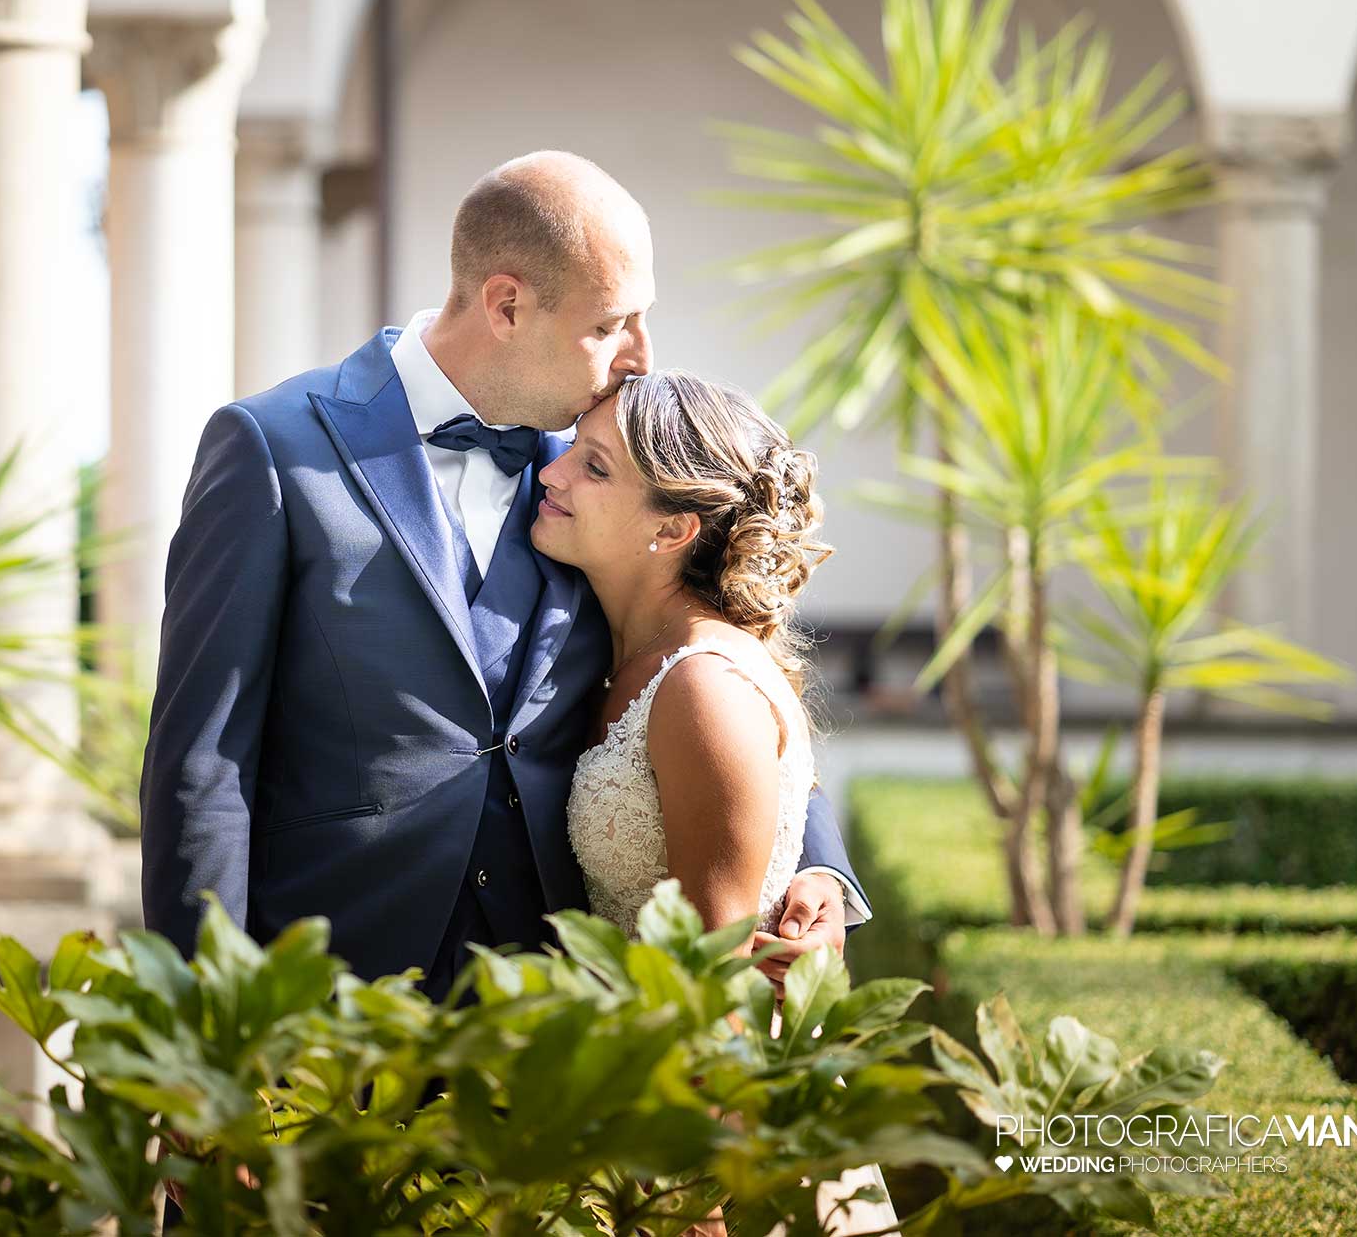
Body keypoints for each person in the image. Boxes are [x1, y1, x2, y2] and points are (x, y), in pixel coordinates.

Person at [138, 150, 868, 1004]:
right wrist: (206, 1030)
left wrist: (816, 862)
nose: (639, 358)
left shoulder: (603, 472)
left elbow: (722, 648)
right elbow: (202, 765)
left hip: (556, 1015)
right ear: (507, 305)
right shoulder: (273, 449)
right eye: (610, 325)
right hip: (331, 987)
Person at [543, 368, 900, 1235]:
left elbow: (721, 976)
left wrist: (695, 1202)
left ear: (673, 527)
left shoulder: (703, 687)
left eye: (594, 468)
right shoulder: (620, 652)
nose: (551, 475)